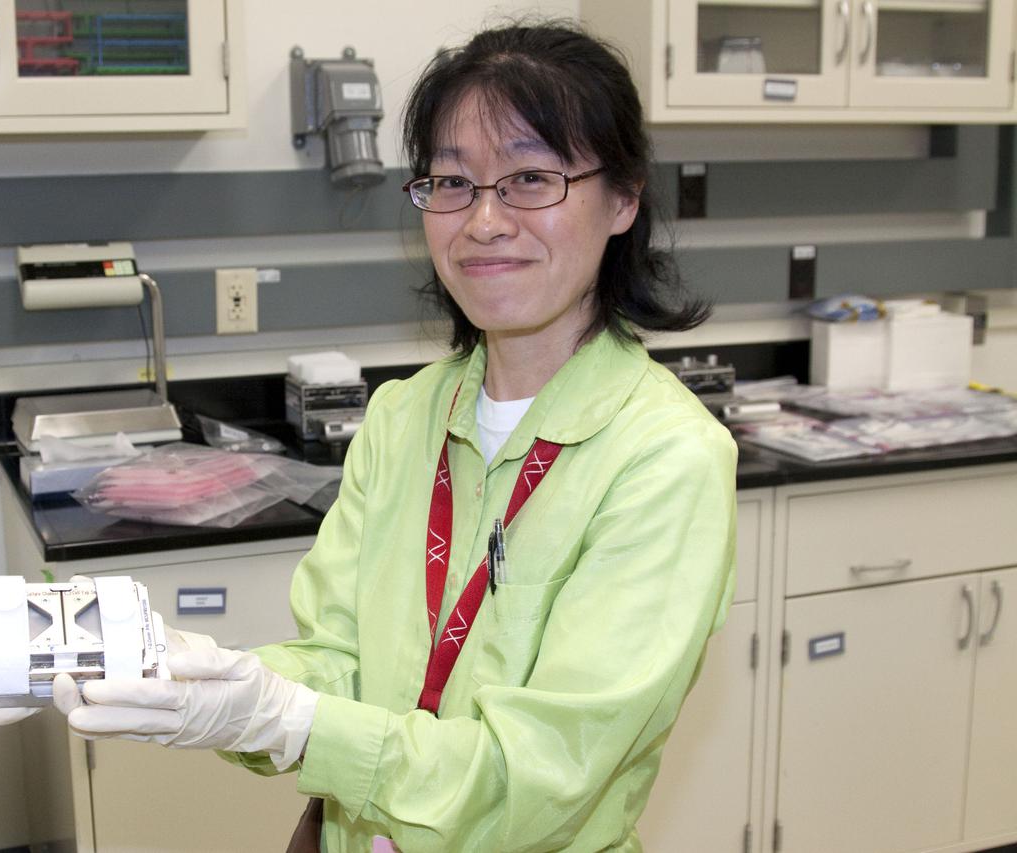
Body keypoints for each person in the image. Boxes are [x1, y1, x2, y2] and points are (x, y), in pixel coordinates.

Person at [45, 20, 738, 852]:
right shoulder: (405, 417)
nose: (483, 220)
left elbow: (542, 774)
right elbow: (340, 661)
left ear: (622, 198)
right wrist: (207, 681)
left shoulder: (665, 458)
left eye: (530, 178)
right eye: (451, 181)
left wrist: (296, 725)